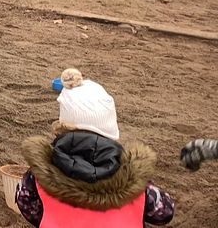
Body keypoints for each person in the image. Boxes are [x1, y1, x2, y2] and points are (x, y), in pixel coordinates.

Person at [16, 68, 175, 227]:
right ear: (111, 131)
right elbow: (164, 213)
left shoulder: (42, 171)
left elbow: (26, 203)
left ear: (63, 127)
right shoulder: (134, 176)